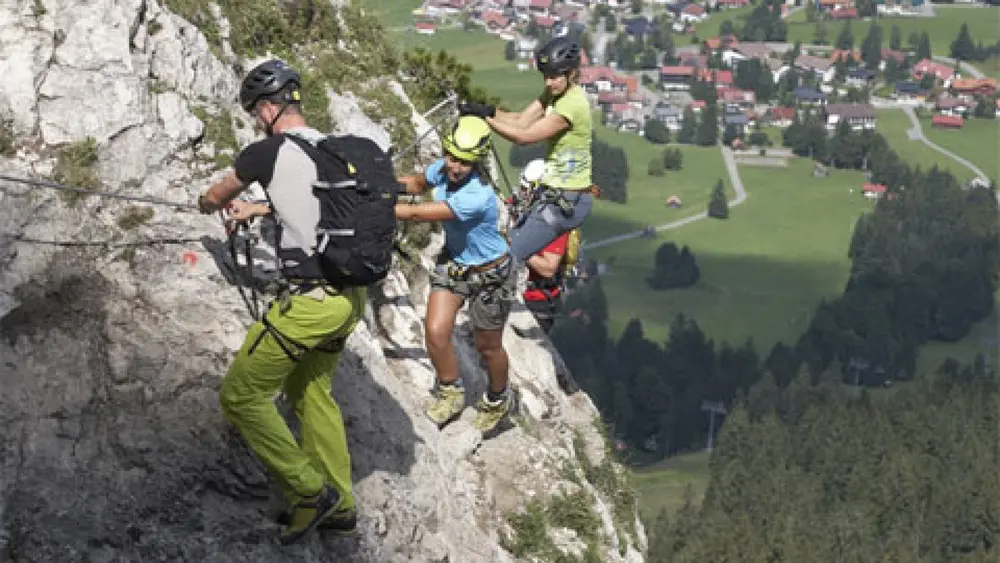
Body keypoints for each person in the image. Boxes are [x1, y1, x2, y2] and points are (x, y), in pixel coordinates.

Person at [196, 59, 362, 545]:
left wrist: (212, 204)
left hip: (312, 303)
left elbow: (215, 193)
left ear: (269, 107)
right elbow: (312, 202)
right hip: (352, 297)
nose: (254, 121)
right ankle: (343, 507)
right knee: (311, 394)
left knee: (241, 396)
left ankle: (311, 492)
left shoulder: (264, 152)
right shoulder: (331, 150)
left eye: (254, 112)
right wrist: (259, 208)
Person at [395, 115, 517, 437]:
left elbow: (419, 212)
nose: (454, 165)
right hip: (455, 264)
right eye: (451, 156)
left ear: (476, 161)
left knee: (488, 347)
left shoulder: (477, 196)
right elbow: (417, 185)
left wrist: (375, 205)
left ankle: (498, 398)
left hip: (492, 275)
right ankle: (451, 392)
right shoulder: (443, 170)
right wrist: (384, 184)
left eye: (464, 161)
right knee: (435, 331)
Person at [457, 36, 594, 262]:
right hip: (555, 193)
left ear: (571, 73)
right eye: (545, 77)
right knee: (503, 250)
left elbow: (524, 137)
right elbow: (521, 120)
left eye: (554, 77)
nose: (548, 83)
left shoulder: (572, 105)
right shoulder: (555, 93)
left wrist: (487, 120)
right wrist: (487, 110)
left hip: (568, 199)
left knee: (503, 257)